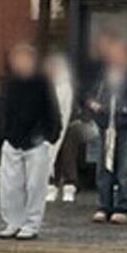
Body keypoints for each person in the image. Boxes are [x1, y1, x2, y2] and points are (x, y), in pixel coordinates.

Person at [0, 43, 61, 240]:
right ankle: (13, 222)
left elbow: (52, 111)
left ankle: (32, 223)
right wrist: (3, 134)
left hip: (35, 141)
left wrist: (50, 136)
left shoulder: (42, 82)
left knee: (35, 186)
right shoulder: (10, 83)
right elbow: (4, 110)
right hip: (13, 139)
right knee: (10, 186)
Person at [88, 34, 127, 224]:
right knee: (103, 168)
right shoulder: (103, 75)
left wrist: (126, 109)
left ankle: (123, 207)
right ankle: (104, 206)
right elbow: (91, 94)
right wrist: (93, 104)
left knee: (126, 167)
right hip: (106, 125)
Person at [45, 52, 82, 203]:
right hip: (52, 125)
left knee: (68, 155)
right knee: (51, 154)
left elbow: (78, 104)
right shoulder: (46, 86)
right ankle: (51, 185)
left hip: (70, 125)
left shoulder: (69, 85)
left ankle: (69, 185)